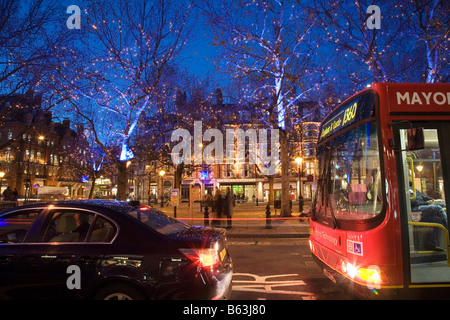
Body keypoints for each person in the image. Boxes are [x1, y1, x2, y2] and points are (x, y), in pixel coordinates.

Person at [411, 187, 448, 251]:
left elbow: (425, 197)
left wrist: (434, 200)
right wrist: (427, 203)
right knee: (437, 208)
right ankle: (448, 228)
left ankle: (432, 243)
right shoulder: (405, 189)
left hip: (421, 208)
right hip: (413, 210)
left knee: (437, 219)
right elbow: (413, 202)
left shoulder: (414, 189)